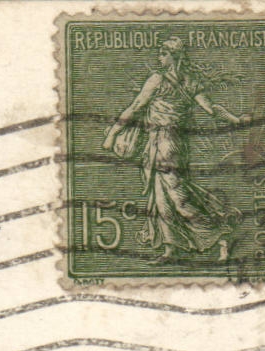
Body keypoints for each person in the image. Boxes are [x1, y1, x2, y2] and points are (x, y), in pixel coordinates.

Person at [103, 37, 252, 263]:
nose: (159, 57)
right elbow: (212, 109)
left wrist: (112, 134)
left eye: (163, 53)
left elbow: (135, 107)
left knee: (176, 195)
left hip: (164, 141)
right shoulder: (191, 82)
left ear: (174, 55)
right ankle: (170, 249)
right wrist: (235, 119)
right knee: (163, 195)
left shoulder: (157, 79)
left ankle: (220, 235)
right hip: (173, 142)